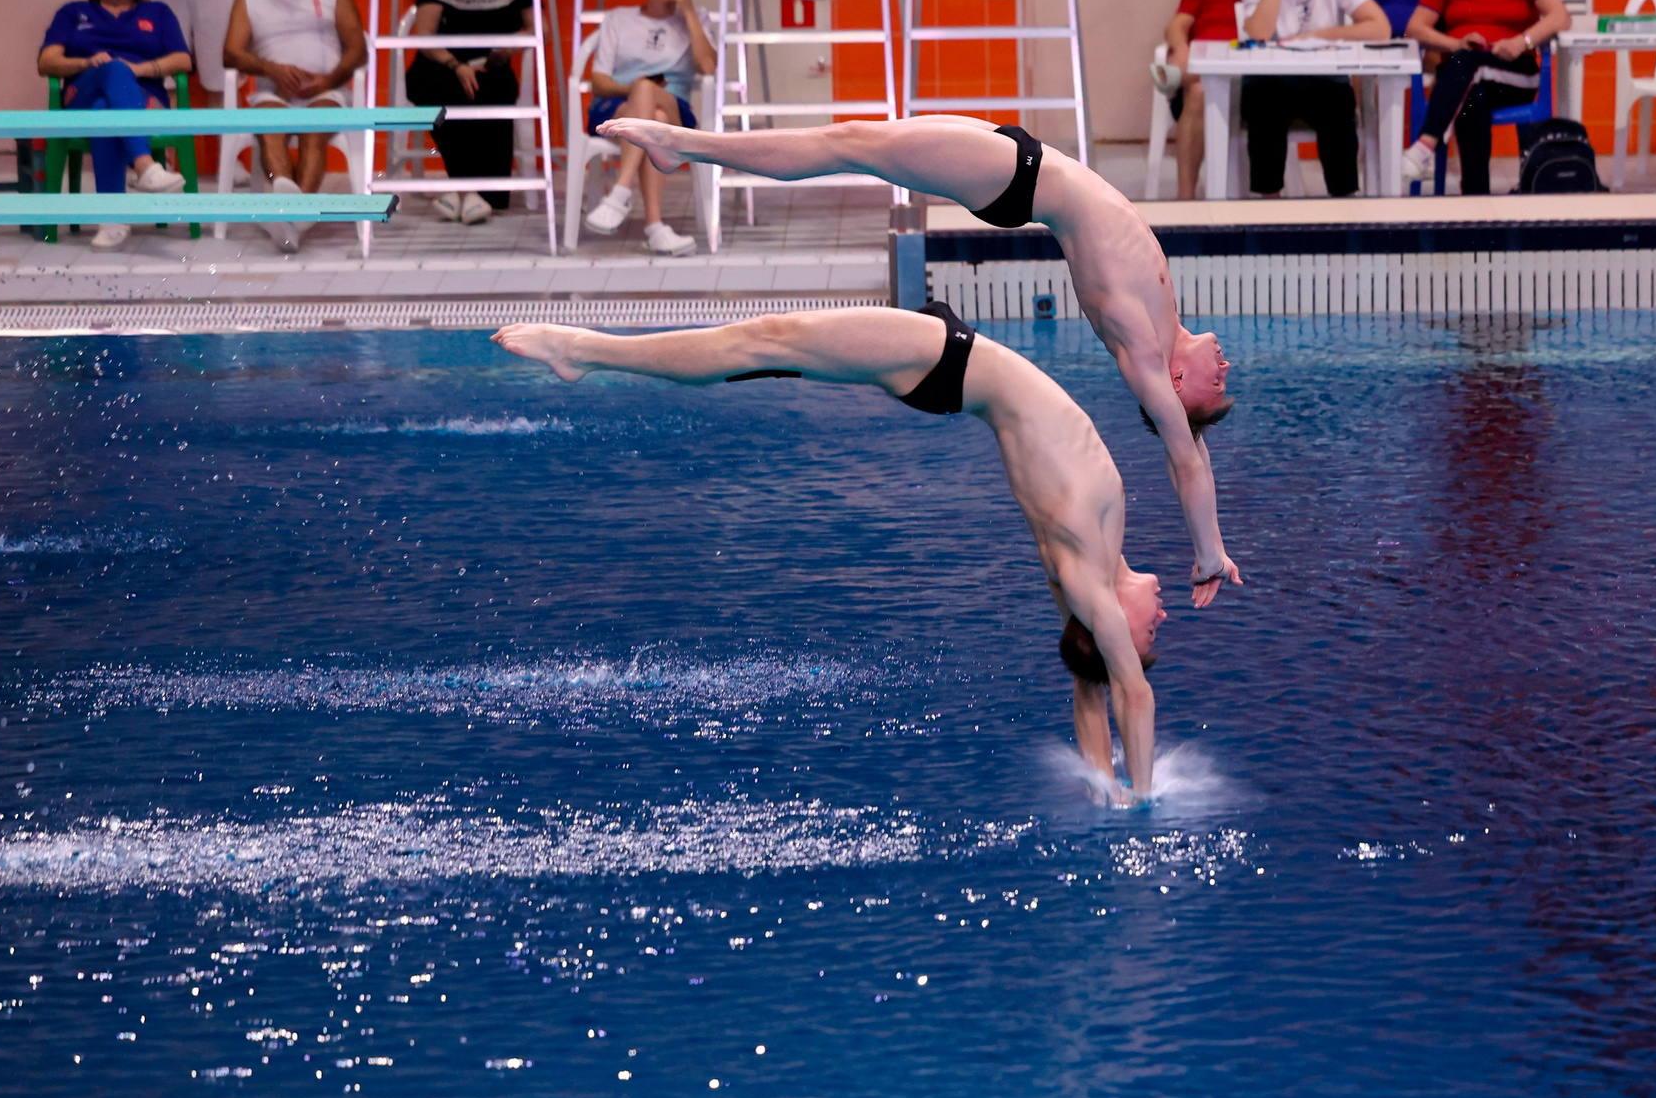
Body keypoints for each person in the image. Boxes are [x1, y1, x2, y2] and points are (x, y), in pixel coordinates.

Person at [493, 305, 1171, 797]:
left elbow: (1129, 694)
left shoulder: (1082, 571)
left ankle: (584, 352)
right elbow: (1093, 691)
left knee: (762, 340)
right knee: (762, 344)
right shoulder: (1092, 566)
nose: (1161, 620)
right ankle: (588, 352)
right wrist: (1102, 779)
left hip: (950, 362)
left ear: (1110, 626)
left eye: (1144, 637)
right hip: (953, 366)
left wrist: (1140, 798)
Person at [598, 114, 1238, 597]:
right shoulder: (1165, 328)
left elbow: (1185, 456)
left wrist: (1209, 554)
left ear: (1176, 384)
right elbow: (1193, 446)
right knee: (854, 139)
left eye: (1215, 389)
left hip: (1019, 176)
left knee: (847, 143)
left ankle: (683, 147)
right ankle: (685, 147)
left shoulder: (1142, 346)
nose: (1227, 371)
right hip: (1024, 159)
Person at [1396, 0, 1571, 195]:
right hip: (1463, 75)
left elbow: (1560, 16)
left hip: (1515, 72)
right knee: (1472, 94)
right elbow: (1415, 27)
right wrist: (1455, 43)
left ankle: (1426, 145)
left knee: (1467, 64)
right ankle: (1475, 198)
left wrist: (1522, 42)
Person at [35, 0, 193, 251]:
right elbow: (47, 62)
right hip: (82, 90)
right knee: (111, 74)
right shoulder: (73, 12)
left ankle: (113, 221)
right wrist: (86, 63)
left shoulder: (158, 13)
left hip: (143, 96)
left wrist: (139, 69)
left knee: (104, 107)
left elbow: (183, 60)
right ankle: (145, 166)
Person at [224, 0, 366, 245]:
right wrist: (271, 70)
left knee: (313, 131)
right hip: (274, 94)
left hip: (327, 91)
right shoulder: (248, 1)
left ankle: (287, 216)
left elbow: (358, 49)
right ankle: (296, 215)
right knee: (269, 130)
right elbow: (230, 54)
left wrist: (327, 80)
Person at [1236, 0, 1390, 199]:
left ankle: (1343, 204)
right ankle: (1269, 205)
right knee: (1264, 105)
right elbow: (1258, 32)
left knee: (1339, 106)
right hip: (1270, 81)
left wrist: (1319, 35)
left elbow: (1380, 27)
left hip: (1323, 80)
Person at [583, 0, 715, 252]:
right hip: (617, 107)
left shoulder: (697, 17)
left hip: (675, 106)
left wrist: (689, 14)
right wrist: (633, 89)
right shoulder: (619, 19)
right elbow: (599, 80)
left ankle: (620, 194)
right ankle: (655, 227)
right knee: (653, 117)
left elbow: (708, 67)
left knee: (652, 101)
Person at [404, 0, 528, 225]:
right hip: (441, 64)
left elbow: (538, 29)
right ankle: (470, 190)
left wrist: (507, 48)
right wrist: (456, 65)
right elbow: (424, 34)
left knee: (494, 91)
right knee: (450, 91)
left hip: (490, 65)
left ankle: (465, 193)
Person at [1156, 0, 1266, 200]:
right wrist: (1181, 48)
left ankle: (1180, 76)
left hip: (1253, 83)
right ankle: (1186, 200)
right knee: (1201, 88)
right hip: (1204, 81)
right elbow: (1177, 25)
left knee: (1202, 84)